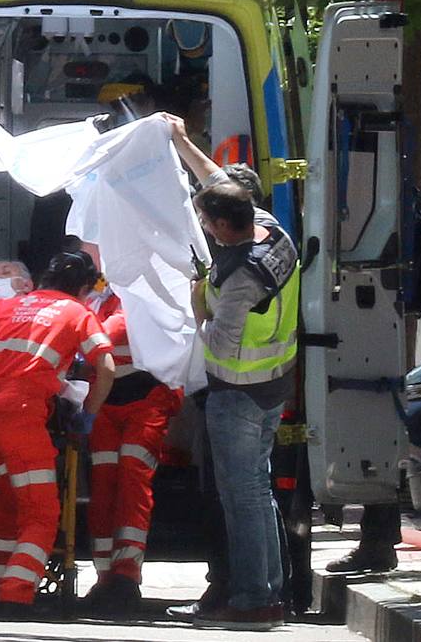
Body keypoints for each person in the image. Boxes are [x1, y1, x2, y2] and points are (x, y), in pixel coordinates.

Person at [164, 112, 296, 631]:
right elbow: (217, 184)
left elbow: (219, 340)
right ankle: (267, 592)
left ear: (222, 226)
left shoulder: (241, 277)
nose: (204, 230)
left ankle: (253, 601)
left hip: (239, 393)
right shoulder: (273, 233)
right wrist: (181, 141)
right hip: (272, 387)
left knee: (242, 499)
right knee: (257, 494)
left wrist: (196, 306)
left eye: (206, 223)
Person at [0, 250, 116, 614]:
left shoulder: (13, 305)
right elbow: (106, 367)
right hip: (19, 416)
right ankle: (17, 594)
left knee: (11, 500)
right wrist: (89, 416)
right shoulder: (78, 313)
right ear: (84, 287)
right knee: (41, 512)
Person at [81, 270, 181, 613]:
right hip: (105, 400)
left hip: (147, 395)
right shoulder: (95, 293)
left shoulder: (148, 285)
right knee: (104, 484)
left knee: (132, 478)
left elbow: (114, 331)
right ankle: (105, 574)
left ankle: (126, 575)